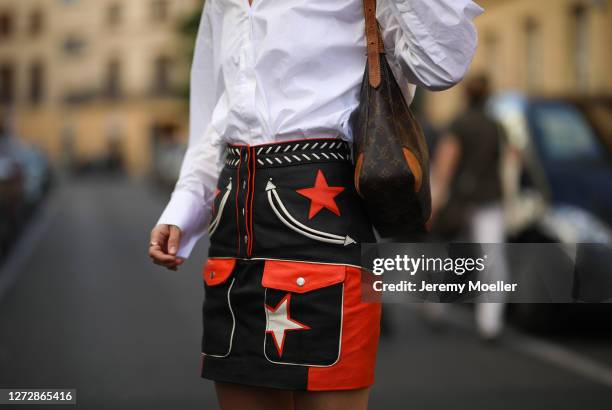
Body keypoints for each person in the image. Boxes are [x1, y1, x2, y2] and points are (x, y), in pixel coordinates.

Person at [149, 1, 482, 408]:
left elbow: (443, 63)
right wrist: (186, 205)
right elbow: (214, 114)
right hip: (233, 230)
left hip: (325, 223)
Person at [430, 74, 511, 340]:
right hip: (491, 199)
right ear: (489, 95)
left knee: (450, 257)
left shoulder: (458, 124)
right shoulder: (497, 125)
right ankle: (490, 324)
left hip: (461, 200)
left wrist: (436, 200)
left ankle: (436, 308)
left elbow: (445, 164)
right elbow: (509, 163)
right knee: (493, 262)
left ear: (466, 95)